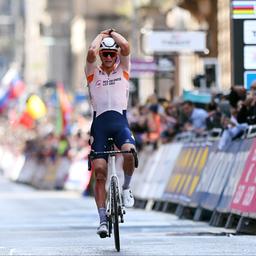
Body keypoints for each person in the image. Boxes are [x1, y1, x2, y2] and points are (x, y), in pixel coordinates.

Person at [85, 28, 136, 238]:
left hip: (119, 123)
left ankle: (126, 188)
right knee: (99, 173)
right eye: (104, 54)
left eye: (111, 54)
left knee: (130, 152)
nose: (107, 57)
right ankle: (103, 218)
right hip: (100, 126)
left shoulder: (123, 69)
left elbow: (126, 47)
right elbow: (90, 51)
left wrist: (113, 34)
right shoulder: (92, 72)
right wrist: (100, 35)